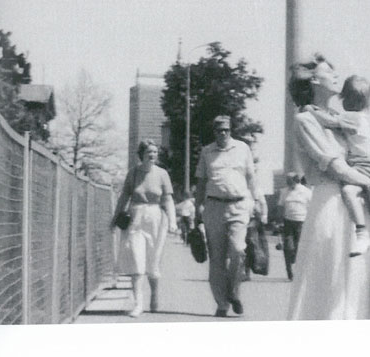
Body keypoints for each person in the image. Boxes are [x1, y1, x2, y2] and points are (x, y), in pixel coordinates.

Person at [284, 55, 370, 321]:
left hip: (355, 202)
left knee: (357, 278)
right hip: (330, 201)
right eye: (330, 71)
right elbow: (336, 167)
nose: (336, 75)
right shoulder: (305, 120)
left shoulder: (339, 117)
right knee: (331, 279)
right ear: (314, 80)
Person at [193, 114, 269, 317]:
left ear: (230, 130)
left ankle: (234, 291)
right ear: (214, 132)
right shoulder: (207, 152)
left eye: (226, 130)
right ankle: (222, 304)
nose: (223, 133)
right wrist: (197, 209)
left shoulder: (242, 148)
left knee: (238, 249)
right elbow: (201, 183)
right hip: (214, 207)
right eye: (219, 130)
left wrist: (259, 201)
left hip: (239, 205)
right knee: (216, 258)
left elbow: (251, 177)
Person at [305, 75, 370, 255]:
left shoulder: (352, 117)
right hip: (364, 164)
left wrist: (310, 109)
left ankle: (362, 234)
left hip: (362, 166)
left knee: (348, 192)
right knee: (358, 197)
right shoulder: (362, 117)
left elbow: (329, 120)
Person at [112, 139, 176, 317]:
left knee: (153, 262)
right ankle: (138, 303)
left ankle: (154, 295)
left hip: (156, 218)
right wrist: (115, 218)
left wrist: (173, 221)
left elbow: (168, 199)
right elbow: (124, 197)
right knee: (136, 260)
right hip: (135, 217)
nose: (152, 155)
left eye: (155, 152)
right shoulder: (133, 173)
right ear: (142, 154)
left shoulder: (162, 174)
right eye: (149, 152)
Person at [279, 173, 310, 278]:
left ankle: (299, 269)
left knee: (299, 247)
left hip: (301, 222)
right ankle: (289, 270)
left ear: (296, 180)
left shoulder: (306, 191)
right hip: (288, 222)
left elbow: (311, 207)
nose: (287, 182)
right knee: (288, 247)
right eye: (287, 180)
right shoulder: (284, 191)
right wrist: (278, 222)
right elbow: (280, 205)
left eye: (289, 180)